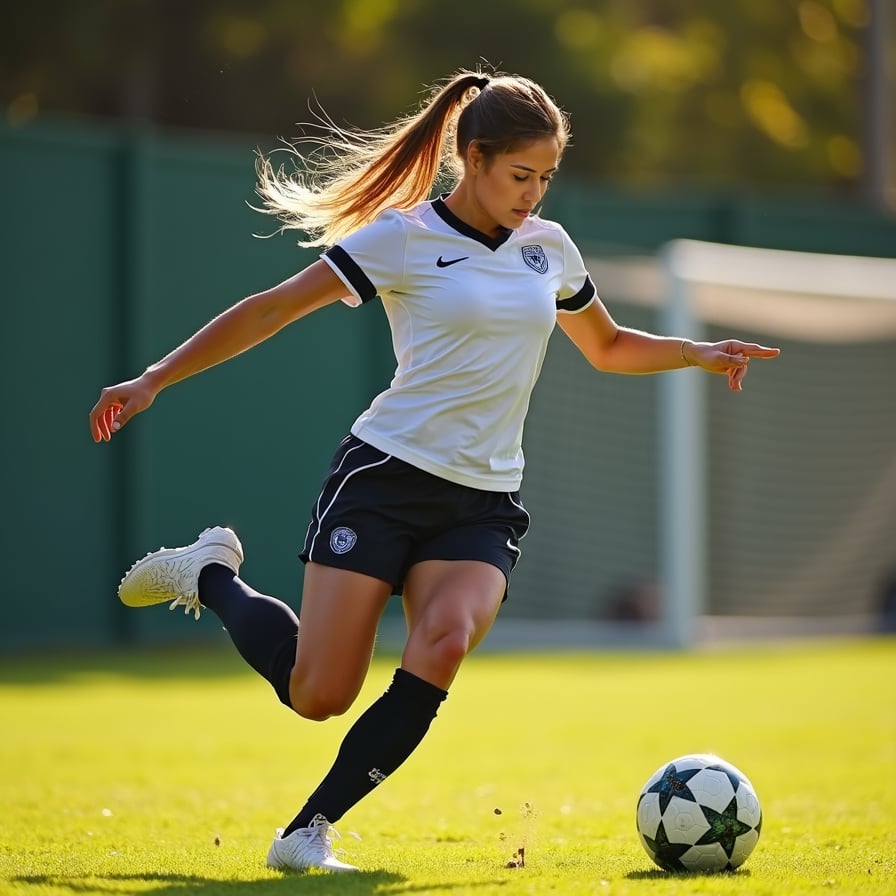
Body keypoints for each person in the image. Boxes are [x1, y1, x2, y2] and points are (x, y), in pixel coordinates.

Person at [89, 68, 780, 873]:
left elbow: (608, 345)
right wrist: (153, 378)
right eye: (521, 175)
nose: (534, 193)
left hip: (483, 503)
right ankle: (211, 575)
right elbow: (273, 306)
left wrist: (696, 351)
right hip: (384, 480)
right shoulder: (404, 237)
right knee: (319, 694)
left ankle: (306, 831)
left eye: (547, 177)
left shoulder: (547, 248)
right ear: (474, 158)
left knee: (444, 641)